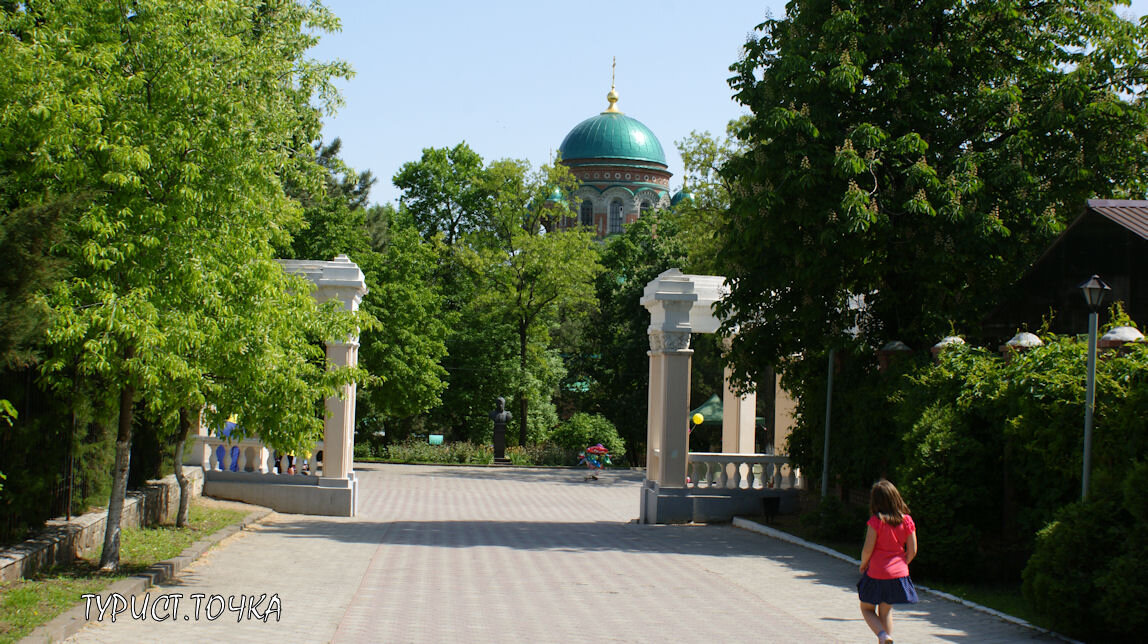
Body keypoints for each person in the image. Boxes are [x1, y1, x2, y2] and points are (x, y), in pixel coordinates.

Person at [857, 479, 918, 644]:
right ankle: (886, 639)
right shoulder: (907, 520)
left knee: (866, 608)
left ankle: (883, 636)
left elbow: (868, 549)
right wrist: (902, 564)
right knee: (886, 610)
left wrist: (863, 564)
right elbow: (912, 550)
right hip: (898, 574)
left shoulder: (876, 522)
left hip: (877, 572)